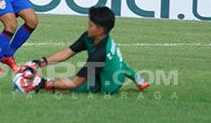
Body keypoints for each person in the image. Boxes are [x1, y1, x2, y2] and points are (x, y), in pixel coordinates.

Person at [19, 6, 149, 94]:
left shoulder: (99, 54)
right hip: (112, 64)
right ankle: (137, 78)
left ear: (100, 30)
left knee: (76, 89)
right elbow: (67, 52)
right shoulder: (90, 36)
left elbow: (74, 83)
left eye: (90, 25)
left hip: (110, 84)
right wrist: (40, 62)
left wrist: (41, 83)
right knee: (117, 62)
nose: (88, 28)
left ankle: (135, 78)